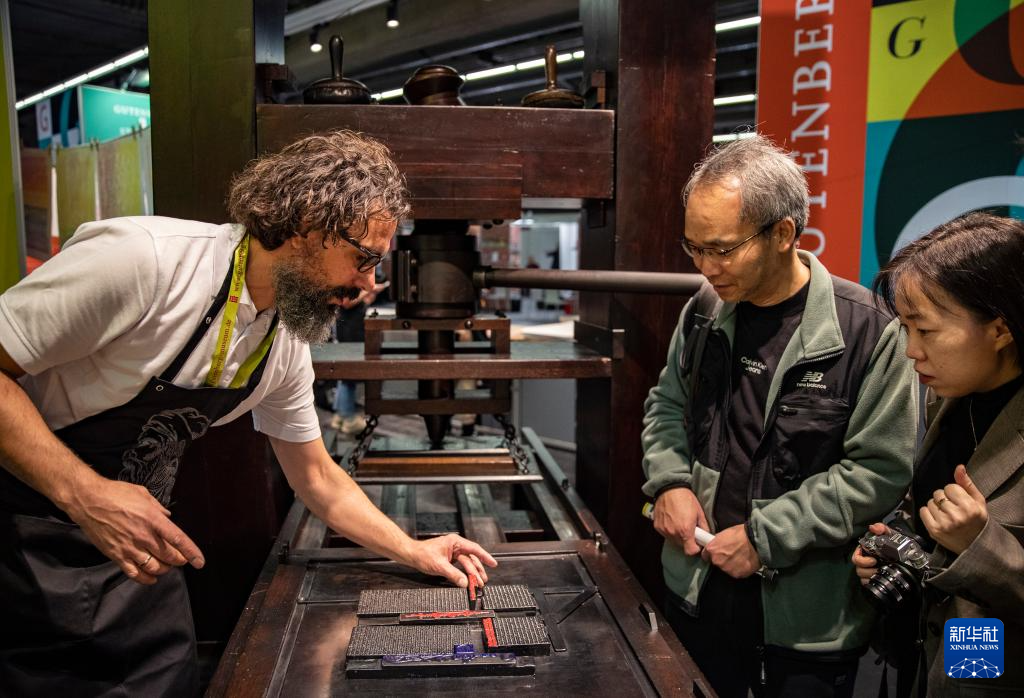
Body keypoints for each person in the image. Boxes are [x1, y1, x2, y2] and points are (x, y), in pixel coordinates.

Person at [0, 130, 496, 695]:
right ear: (306, 224)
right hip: (23, 544)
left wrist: (413, 549)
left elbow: (317, 477)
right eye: (363, 259)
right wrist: (86, 494)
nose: (367, 284)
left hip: (140, 553)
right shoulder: (144, 261)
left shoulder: (282, 339)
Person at [641, 135, 918, 697]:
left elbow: (878, 470)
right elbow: (667, 403)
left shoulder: (868, 331)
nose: (706, 267)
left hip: (806, 620)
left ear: (784, 233)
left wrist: (765, 537)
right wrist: (669, 481)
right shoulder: (705, 311)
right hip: (697, 588)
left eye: (722, 249)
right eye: (694, 248)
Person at [852, 212, 1024, 697]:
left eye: (925, 331)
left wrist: (980, 544)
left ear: (1000, 329)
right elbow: (928, 509)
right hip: (924, 660)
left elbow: (973, 540)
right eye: (905, 329)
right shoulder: (944, 396)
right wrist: (896, 544)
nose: (911, 351)